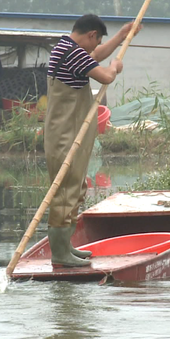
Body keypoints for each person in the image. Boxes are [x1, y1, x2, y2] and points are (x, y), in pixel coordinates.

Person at [44, 14, 141, 267]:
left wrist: (122, 35)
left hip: (71, 132)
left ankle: (67, 247)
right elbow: (105, 76)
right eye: (96, 41)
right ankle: (59, 253)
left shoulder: (69, 49)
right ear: (91, 35)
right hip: (64, 135)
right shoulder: (72, 53)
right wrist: (115, 68)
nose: (95, 48)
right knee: (65, 192)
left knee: (75, 189)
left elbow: (94, 57)